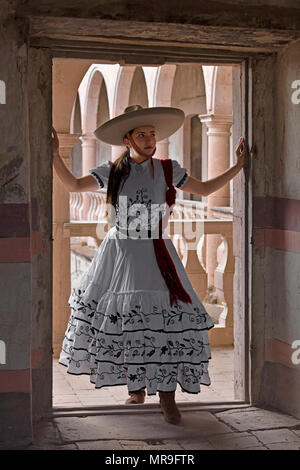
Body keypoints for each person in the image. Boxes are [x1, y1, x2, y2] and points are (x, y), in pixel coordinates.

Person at [52, 104, 246, 425]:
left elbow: (207, 189)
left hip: (158, 251)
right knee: (129, 319)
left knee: (165, 321)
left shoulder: (169, 169)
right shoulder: (113, 171)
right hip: (121, 252)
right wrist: (55, 154)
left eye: (152, 134)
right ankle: (137, 387)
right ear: (128, 139)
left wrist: (238, 166)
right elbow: (73, 185)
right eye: (141, 134)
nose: (149, 139)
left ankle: (167, 397)